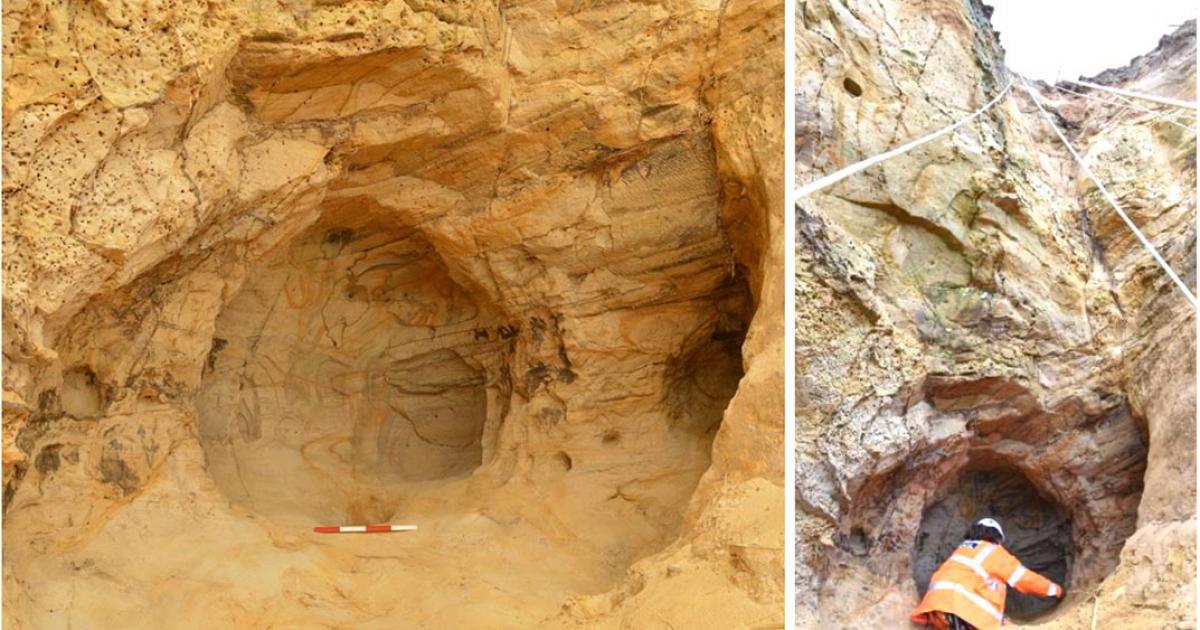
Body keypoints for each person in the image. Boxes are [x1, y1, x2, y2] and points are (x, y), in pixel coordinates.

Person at [911, 518, 1063, 630]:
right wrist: (1054, 590)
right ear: (997, 538)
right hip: (963, 611)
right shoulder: (992, 551)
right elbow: (1023, 578)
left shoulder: (962, 550)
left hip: (937, 613)